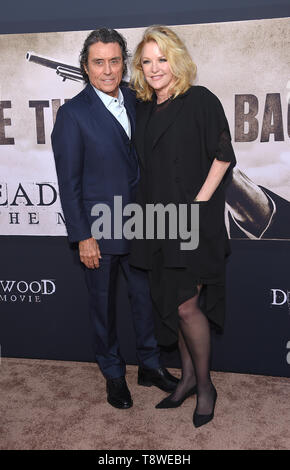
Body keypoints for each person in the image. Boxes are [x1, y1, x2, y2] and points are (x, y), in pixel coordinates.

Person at [51, 28, 178, 410]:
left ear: (124, 63)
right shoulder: (73, 115)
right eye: (98, 62)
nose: (107, 70)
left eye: (114, 61)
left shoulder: (139, 100)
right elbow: (68, 183)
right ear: (85, 67)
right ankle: (112, 373)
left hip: (142, 224)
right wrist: (83, 236)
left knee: (146, 301)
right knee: (103, 308)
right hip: (99, 231)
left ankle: (150, 365)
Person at [129, 25, 236, 427]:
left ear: (177, 60)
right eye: (147, 61)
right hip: (156, 219)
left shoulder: (200, 100)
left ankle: (205, 385)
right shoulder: (143, 106)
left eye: (162, 59)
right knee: (172, 302)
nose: (155, 68)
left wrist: (198, 205)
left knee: (189, 305)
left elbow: (223, 155)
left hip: (192, 218)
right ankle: (187, 378)